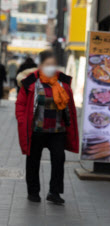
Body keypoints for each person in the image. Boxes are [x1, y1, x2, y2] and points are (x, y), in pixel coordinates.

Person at [15, 50, 79, 204]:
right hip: (36, 129)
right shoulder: (31, 82)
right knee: (33, 161)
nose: (51, 67)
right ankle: (33, 192)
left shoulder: (62, 82)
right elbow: (21, 104)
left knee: (58, 160)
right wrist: (23, 121)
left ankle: (54, 192)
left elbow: (69, 104)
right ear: (41, 65)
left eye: (53, 64)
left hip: (57, 130)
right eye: (47, 64)